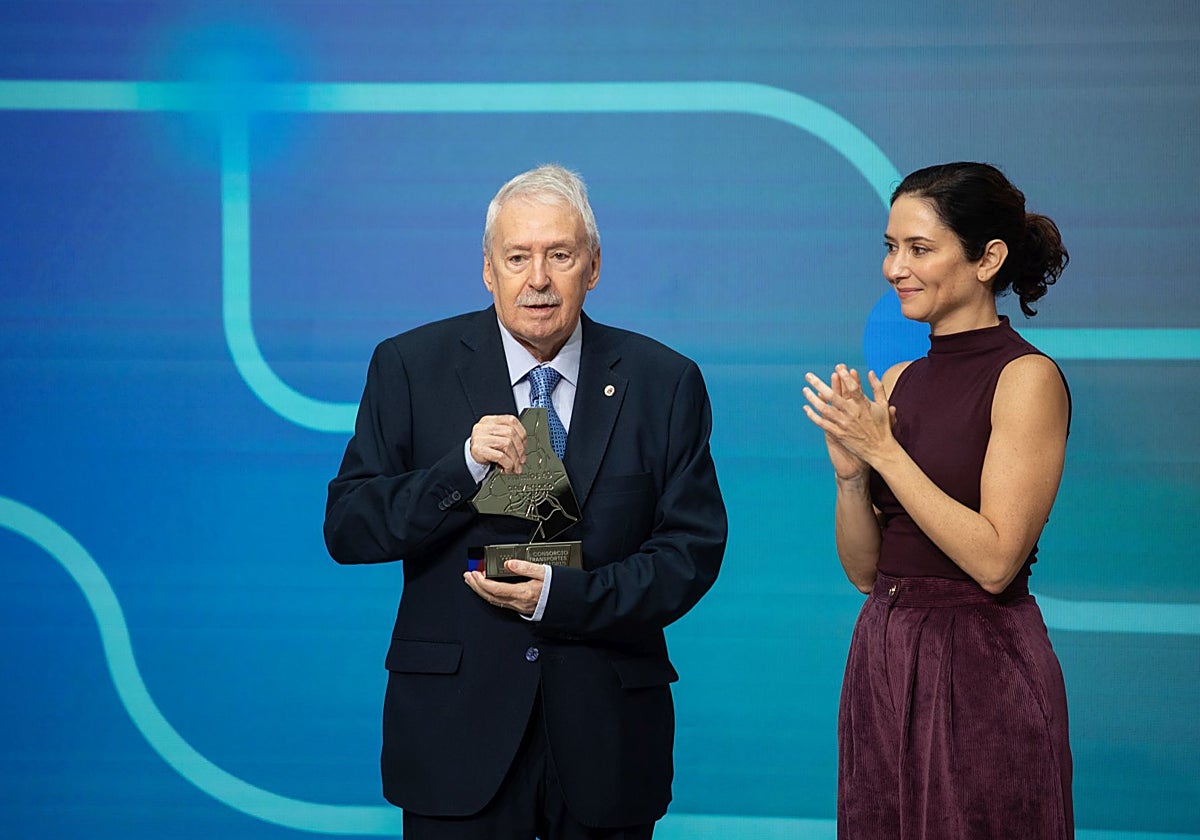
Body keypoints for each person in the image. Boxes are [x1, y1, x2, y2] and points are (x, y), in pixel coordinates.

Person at [324, 163, 726, 840]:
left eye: (559, 256)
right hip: (456, 735)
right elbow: (349, 528)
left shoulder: (665, 382)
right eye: (518, 257)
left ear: (593, 267)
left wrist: (563, 599)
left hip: (607, 739)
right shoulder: (409, 366)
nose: (537, 279)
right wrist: (462, 468)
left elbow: (690, 554)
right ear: (488, 269)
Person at [801, 162, 1073, 838]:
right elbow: (867, 573)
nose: (897, 268)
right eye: (891, 248)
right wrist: (850, 475)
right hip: (883, 652)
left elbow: (994, 561)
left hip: (981, 662)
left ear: (989, 260)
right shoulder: (896, 379)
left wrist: (886, 452)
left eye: (919, 249)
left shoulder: (1026, 378)